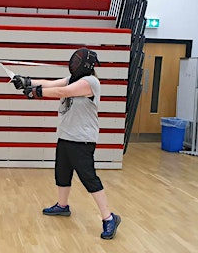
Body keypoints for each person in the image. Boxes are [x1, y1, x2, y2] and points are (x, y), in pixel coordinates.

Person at [11, 48, 120, 240]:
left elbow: (62, 92)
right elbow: (51, 84)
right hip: (66, 136)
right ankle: (62, 206)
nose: (73, 64)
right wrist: (27, 81)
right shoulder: (74, 79)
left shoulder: (91, 82)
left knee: (89, 178)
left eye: (77, 61)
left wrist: (35, 93)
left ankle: (109, 218)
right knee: (62, 173)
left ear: (86, 64)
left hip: (82, 140)